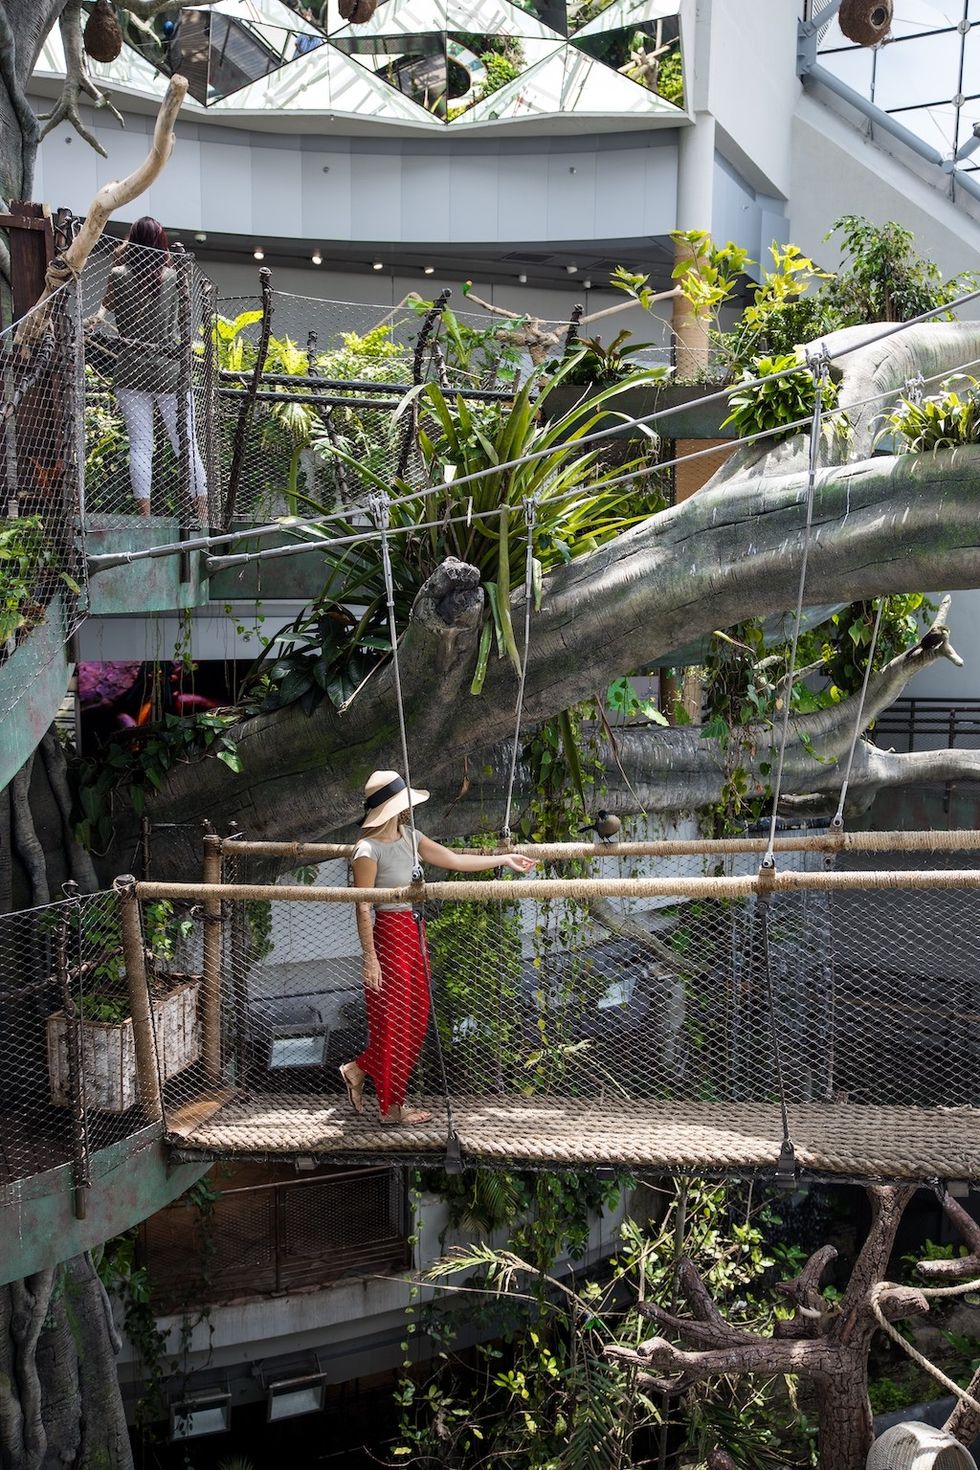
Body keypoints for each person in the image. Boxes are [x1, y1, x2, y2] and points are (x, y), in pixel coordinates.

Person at [339, 770, 536, 1126]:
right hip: (388, 935)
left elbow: (455, 860)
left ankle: (359, 1069)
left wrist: (504, 859)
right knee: (394, 1019)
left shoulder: (410, 837)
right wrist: (370, 958)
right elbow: (362, 905)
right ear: (393, 806)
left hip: (414, 930)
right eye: (403, 803)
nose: (408, 809)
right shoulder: (367, 849)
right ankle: (391, 1108)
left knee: (416, 1017)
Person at [101, 217, 208, 520]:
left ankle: (145, 518)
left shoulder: (118, 275)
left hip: (130, 369)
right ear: (162, 244)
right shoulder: (174, 277)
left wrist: (120, 257)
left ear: (131, 242)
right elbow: (181, 314)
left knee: (140, 445)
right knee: (186, 444)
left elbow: (108, 304)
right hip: (169, 370)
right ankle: (203, 516)